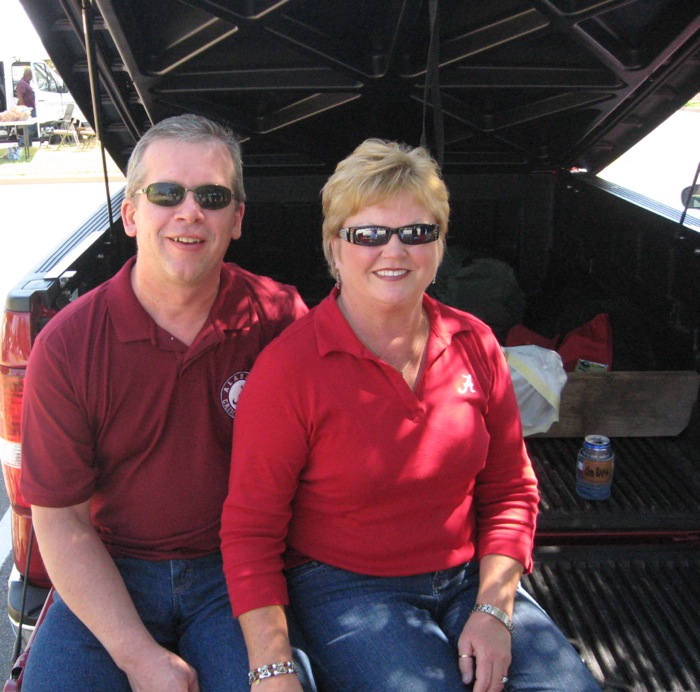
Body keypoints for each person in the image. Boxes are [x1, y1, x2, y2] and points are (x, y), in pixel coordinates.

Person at [220, 139, 602, 691]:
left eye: (417, 232)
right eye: (369, 234)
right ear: (334, 248)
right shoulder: (289, 370)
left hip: (471, 573)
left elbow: (511, 490)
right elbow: (251, 531)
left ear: (441, 245)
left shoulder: (476, 343)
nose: (393, 251)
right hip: (345, 586)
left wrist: (494, 611)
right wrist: (272, 667)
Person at [19, 114, 309, 691]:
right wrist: (139, 658)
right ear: (130, 214)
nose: (189, 211)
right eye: (165, 193)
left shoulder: (280, 320)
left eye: (212, 195)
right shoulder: (69, 344)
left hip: (239, 575)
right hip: (109, 570)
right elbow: (62, 523)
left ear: (238, 219)